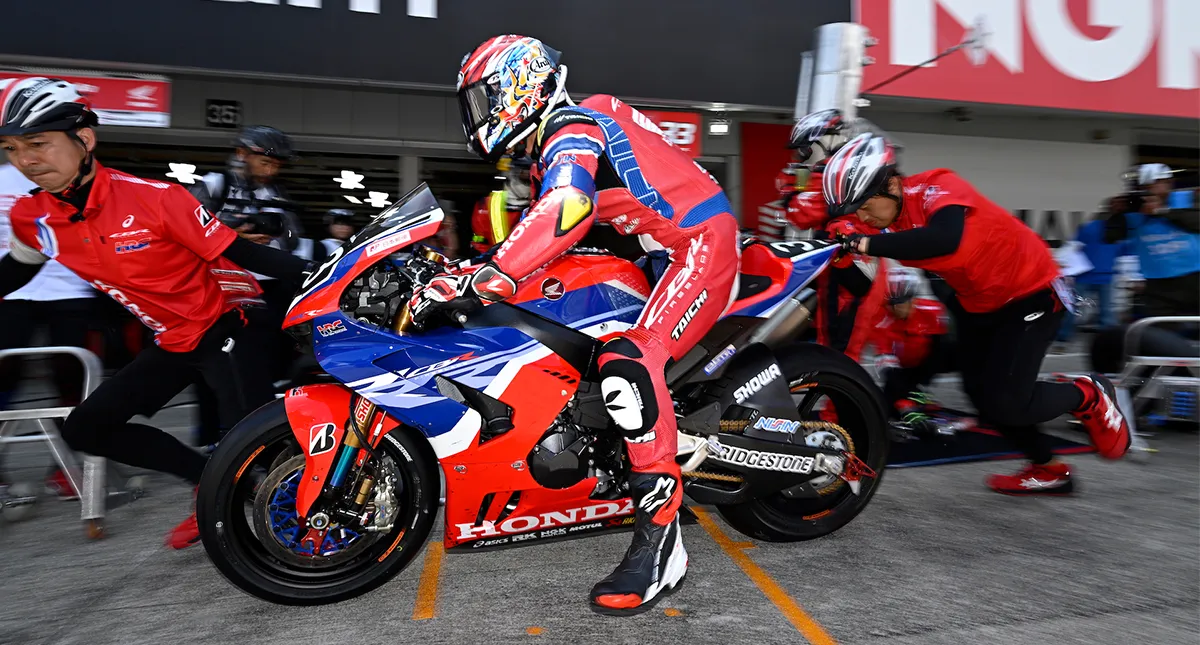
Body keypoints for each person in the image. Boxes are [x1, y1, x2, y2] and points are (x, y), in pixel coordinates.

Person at [411, 35, 740, 613]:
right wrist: (464, 271)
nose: (479, 115)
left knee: (627, 362)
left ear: (522, 84)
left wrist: (490, 274)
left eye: (485, 99)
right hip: (657, 252)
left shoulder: (572, 126)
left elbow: (567, 209)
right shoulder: (551, 144)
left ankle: (663, 544)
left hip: (699, 247)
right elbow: (541, 234)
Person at [0, 77, 311, 546]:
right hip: (171, 339)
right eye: (12, 148)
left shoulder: (155, 198)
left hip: (227, 325)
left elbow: (246, 254)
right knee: (88, 428)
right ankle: (212, 483)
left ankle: (302, 522)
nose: (25, 159)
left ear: (84, 139)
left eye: (38, 143)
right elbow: (15, 272)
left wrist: (330, 271)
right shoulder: (33, 216)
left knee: (252, 443)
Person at [823, 133, 1132, 495]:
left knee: (1010, 401)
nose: (861, 217)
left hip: (1032, 291)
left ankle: (1088, 393)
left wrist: (862, 242)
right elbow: (855, 276)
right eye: (854, 211)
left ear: (891, 183)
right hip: (979, 302)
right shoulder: (878, 218)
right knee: (984, 399)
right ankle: (1051, 468)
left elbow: (945, 238)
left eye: (864, 205)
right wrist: (836, 250)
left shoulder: (938, 187)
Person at [0, 160, 97, 499]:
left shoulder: (72, 175)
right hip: (11, 290)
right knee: (3, 377)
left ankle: (67, 467)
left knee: (71, 380)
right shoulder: (2, 178)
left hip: (69, 289)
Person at [780, 109, 888, 361]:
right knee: (831, 348)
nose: (801, 157)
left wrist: (790, 188)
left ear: (825, 140)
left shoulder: (838, 173)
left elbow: (800, 213)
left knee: (842, 355)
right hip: (841, 268)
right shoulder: (837, 170)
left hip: (853, 272)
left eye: (804, 150)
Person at [1104, 164, 1199, 319]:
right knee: (1159, 332)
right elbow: (1110, 237)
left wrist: (1162, 211)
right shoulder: (1134, 210)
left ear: (1168, 183)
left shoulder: (1187, 198)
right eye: (1145, 186)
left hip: (1194, 277)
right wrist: (1116, 213)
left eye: (1154, 184)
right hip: (1157, 284)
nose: (1149, 190)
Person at [866, 268, 955, 430]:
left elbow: (940, 349)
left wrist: (918, 386)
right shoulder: (881, 322)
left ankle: (916, 394)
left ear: (913, 300)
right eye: (892, 304)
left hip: (927, 362)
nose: (897, 309)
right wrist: (904, 403)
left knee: (951, 349)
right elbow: (889, 369)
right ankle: (913, 397)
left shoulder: (932, 311)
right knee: (884, 406)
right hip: (901, 369)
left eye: (902, 303)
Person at [1058, 197, 1129, 342]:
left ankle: (1064, 338)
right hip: (1089, 276)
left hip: (1100, 276)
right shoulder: (1093, 227)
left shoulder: (1097, 227)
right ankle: (1063, 337)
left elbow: (1072, 247)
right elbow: (1073, 247)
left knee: (1100, 312)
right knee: (1101, 312)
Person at [470, 155, 532, 254]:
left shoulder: (545, 202)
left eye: (529, 174)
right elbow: (480, 245)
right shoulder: (486, 206)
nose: (527, 176)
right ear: (510, 174)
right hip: (496, 264)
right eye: (522, 173)